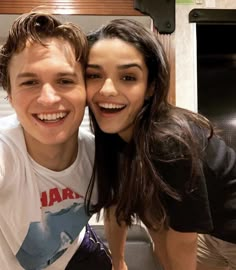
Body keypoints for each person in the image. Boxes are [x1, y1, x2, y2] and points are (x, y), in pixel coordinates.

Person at [85, 18, 236, 270]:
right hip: (210, 234)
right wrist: (118, 260)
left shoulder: (168, 141)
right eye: (94, 75)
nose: (107, 89)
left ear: (150, 87)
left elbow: (182, 238)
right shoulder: (113, 134)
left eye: (128, 77)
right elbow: (116, 204)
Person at [0, 11, 112, 270]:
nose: (48, 99)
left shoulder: (103, 158)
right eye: (30, 82)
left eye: (64, 80)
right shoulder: (5, 153)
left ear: (86, 91)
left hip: (80, 251)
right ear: (11, 96)